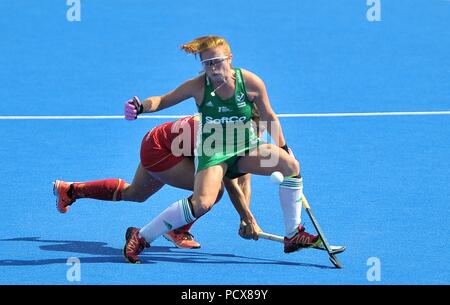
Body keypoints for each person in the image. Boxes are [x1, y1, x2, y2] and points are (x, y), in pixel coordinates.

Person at [122, 35, 320, 264]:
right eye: (206, 63)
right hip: (213, 151)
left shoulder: (251, 82)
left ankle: (293, 234)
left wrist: (284, 147)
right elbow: (163, 100)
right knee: (202, 203)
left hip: (246, 146)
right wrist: (141, 107)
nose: (213, 67)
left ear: (229, 58)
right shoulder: (198, 86)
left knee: (290, 165)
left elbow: (268, 116)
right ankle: (142, 236)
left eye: (217, 61)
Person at [53, 114, 261, 249]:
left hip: (158, 140)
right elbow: (231, 181)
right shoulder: (221, 136)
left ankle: (71, 190)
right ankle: (176, 230)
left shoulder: (234, 126)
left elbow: (244, 175)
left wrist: (246, 216)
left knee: (135, 194)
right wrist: (247, 219)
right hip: (161, 151)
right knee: (213, 190)